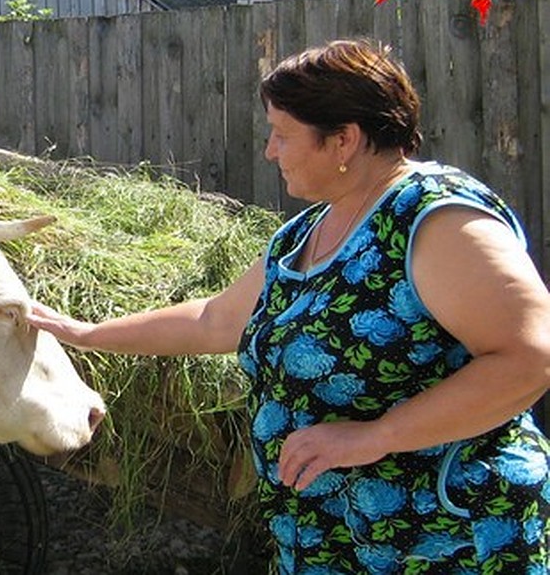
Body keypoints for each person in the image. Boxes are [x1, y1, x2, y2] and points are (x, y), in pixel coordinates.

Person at [28, 39, 550, 572]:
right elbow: (216, 321)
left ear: (343, 140)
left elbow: (530, 358)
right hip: (332, 539)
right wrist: (85, 331)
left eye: (282, 134)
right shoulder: (306, 233)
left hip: (444, 537)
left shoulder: (434, 219)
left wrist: (378, 436)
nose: (269, 151)